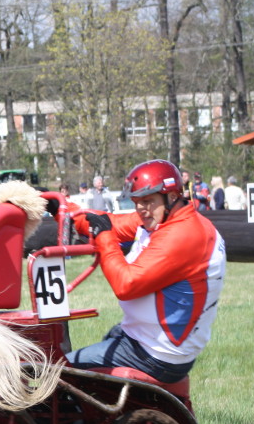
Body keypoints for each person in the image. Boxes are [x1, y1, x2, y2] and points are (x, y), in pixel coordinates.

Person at [67, 159, 225, 383]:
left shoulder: (182, 234)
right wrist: (64, 210)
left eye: (147, 200)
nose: (141, 208)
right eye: (137, 201)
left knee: (58, 371)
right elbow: (108, 222)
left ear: (171, 196)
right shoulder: (166, 219)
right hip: (149, 341)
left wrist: (104, 238)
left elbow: (126, 285)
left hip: (155, 354)